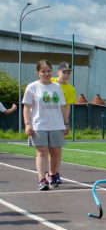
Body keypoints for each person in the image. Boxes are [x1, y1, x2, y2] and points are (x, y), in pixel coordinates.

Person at [22, 60, 68, 190]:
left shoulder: (57, 87)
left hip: (56, 124)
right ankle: (41, 179)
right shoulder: (32, 87)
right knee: (42, 151)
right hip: (39, 124)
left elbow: (62, 106)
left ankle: (52, 175)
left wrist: (66, 123)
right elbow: (27, 107)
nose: (46, 73)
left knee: (55, 151)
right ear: (38, 72)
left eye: (48, 71)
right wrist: (27, 124)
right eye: (43, 71)